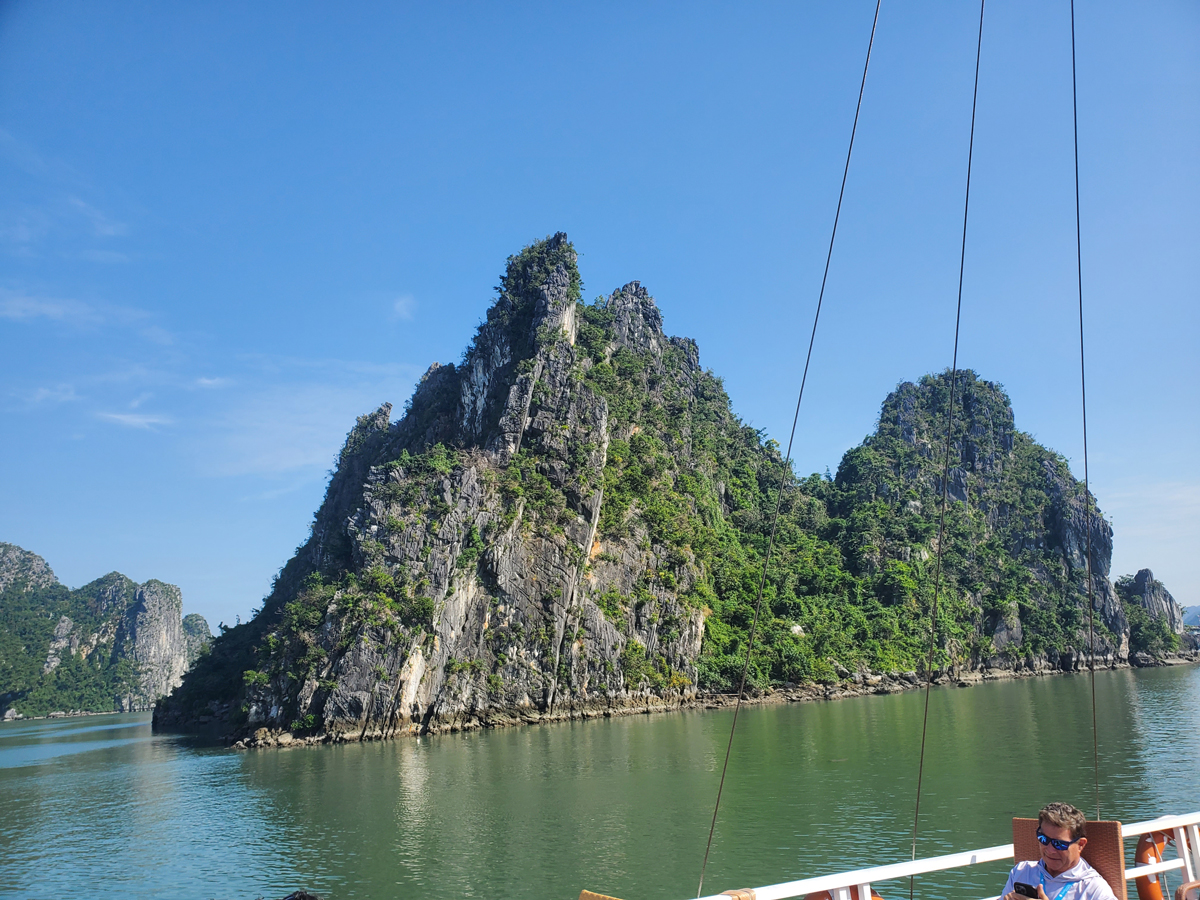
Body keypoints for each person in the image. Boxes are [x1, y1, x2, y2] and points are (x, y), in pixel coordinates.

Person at [1002, 802, 1118, 900]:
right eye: (1044, 839)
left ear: (1080, 845)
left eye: (1059, 844)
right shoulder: (1022, 871)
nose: (1050, 850)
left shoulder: (1094, 890)